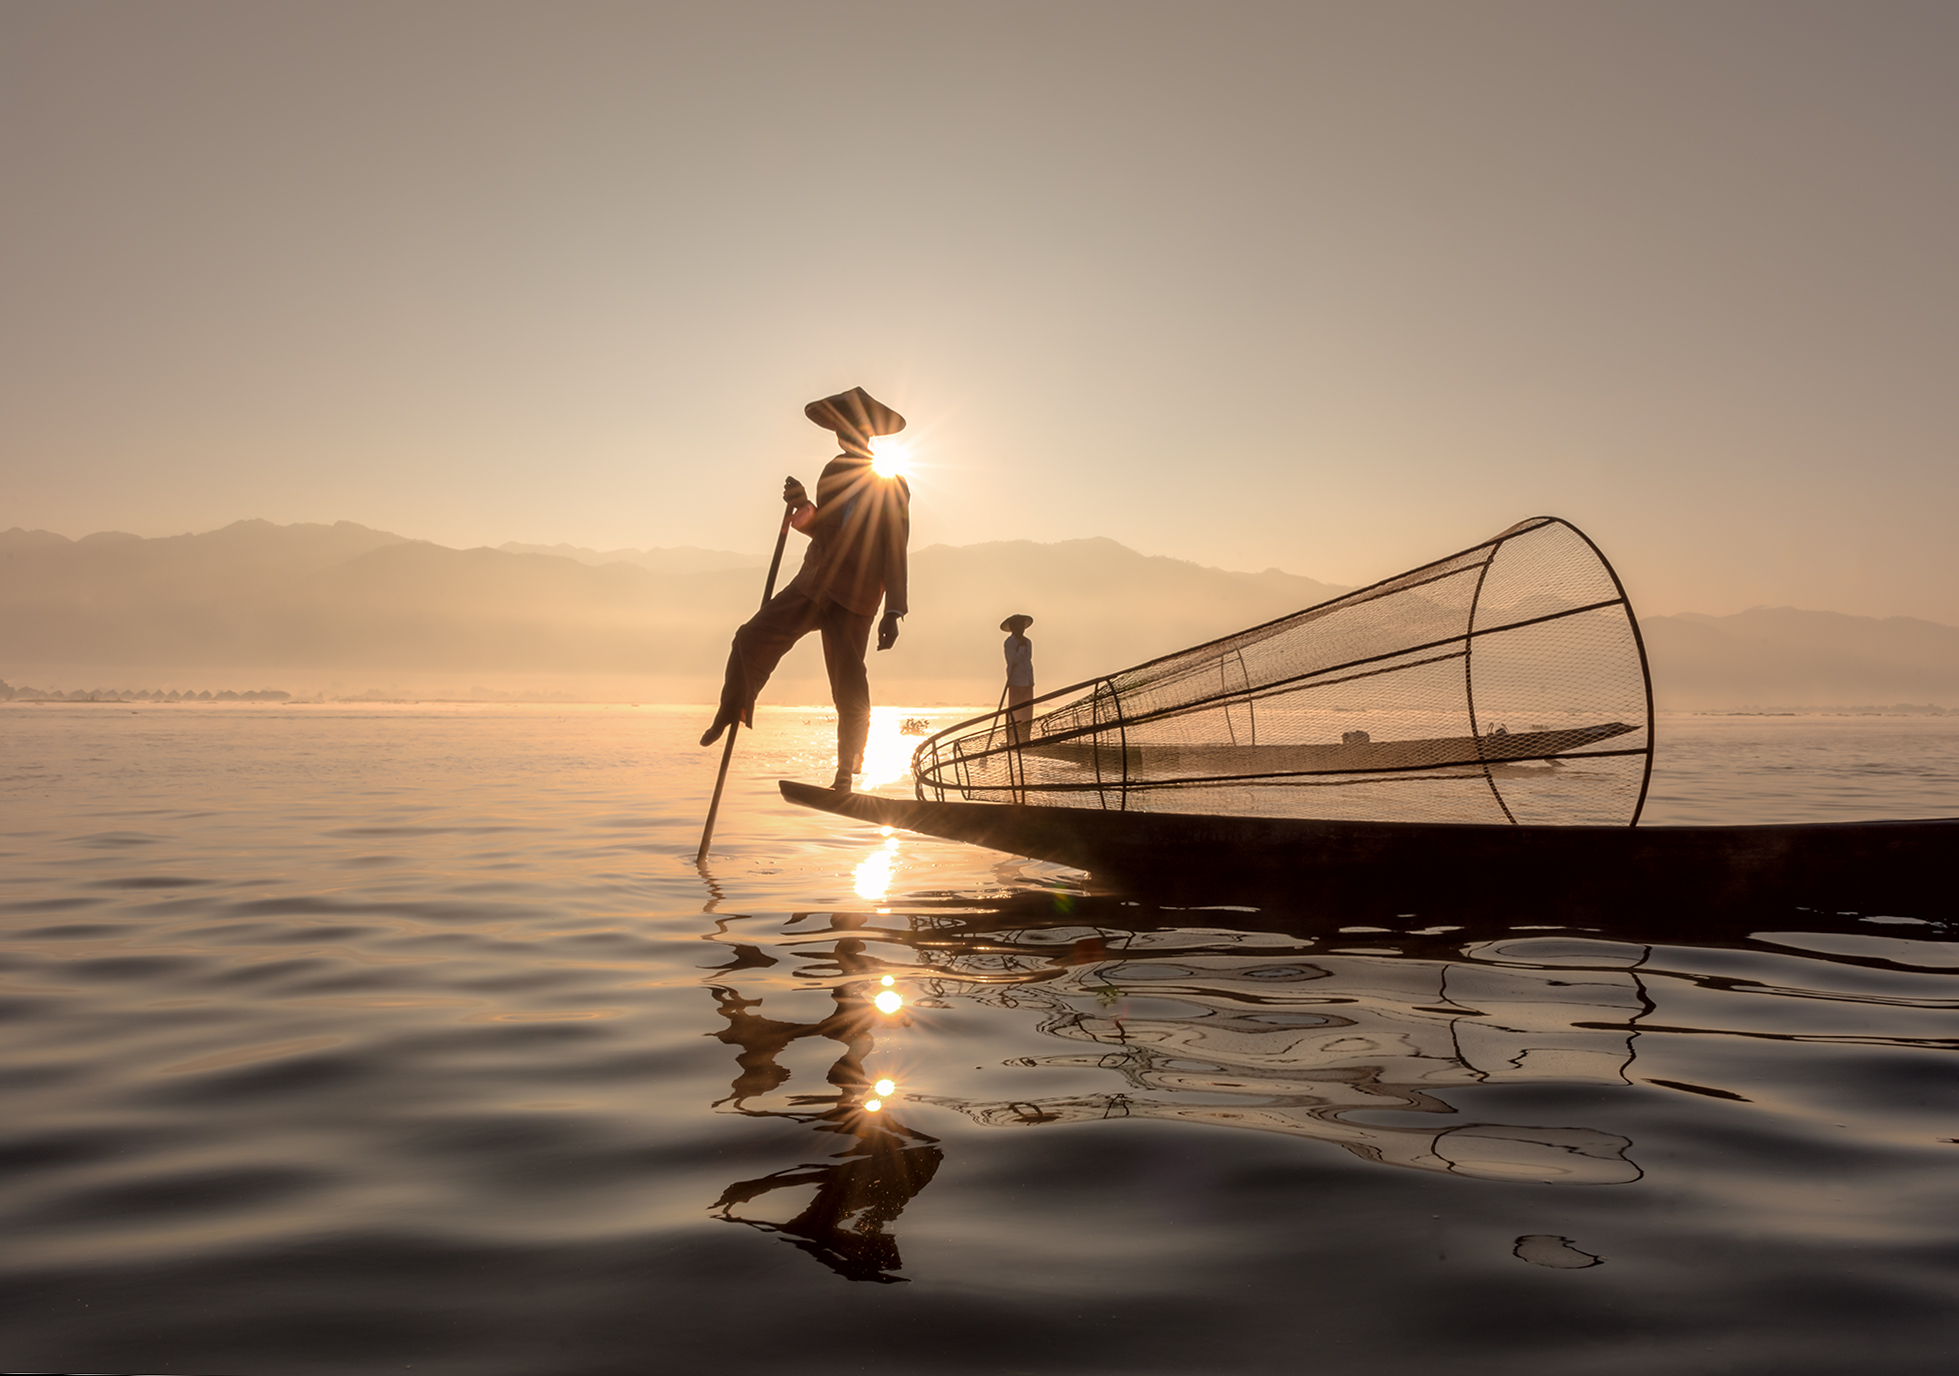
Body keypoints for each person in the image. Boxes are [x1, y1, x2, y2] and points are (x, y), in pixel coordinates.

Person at [700, 387, 911, 791]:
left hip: (856, 594)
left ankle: (845, 773)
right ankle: (732, 707)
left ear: (867, 433)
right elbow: (823, 529)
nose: (842, 434)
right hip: (815, 581)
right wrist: (801, 505)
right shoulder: (832, 472)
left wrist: (894, 611)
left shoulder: (892, 484)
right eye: (838, 427)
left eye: (850, 426)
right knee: (749, 637)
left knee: (849, 683)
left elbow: (895, 547)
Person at [1001, 614, 1034, 742]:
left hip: (1027, 680)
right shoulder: (1010, 642)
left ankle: (1025, 738)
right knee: (1015, 710)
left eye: (1022, 625)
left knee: (1027, 710)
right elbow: (1013, 660)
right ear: (1013, 627)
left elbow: (1028, 659)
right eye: (1018, 625)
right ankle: (1013, 739)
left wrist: (1023, 647)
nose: (1021, 628)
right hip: (1015, 681)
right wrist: (1020, 648)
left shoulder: (1028, 641)